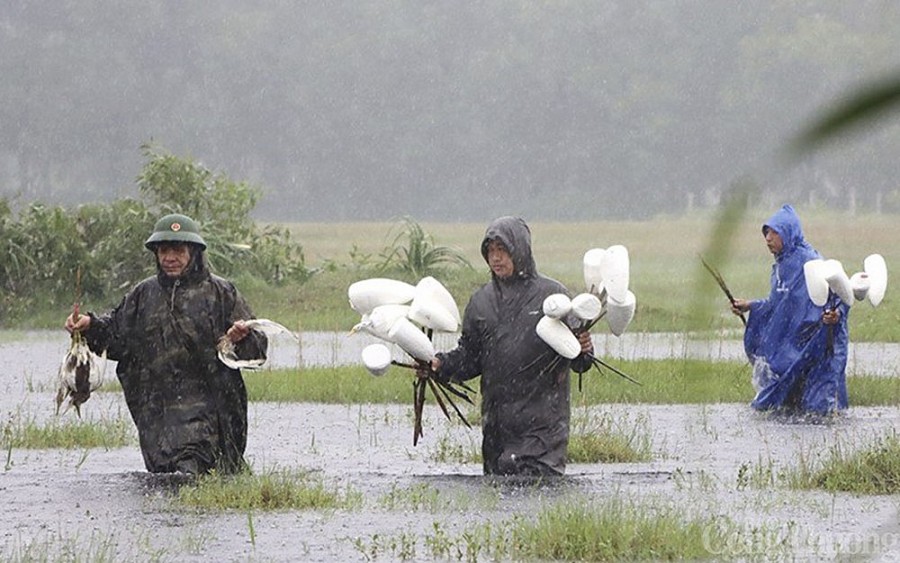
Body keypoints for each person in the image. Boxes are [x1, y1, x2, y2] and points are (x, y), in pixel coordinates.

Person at [64, 213, 268, 474]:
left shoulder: (221, 293)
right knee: (166, 479)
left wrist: (243, 338)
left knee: (197, 469)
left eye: (177, 250)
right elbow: (117, 338)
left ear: (193, 252)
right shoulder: (143, 294)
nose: (170, 258)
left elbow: (257, 351)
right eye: (163, 251)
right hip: (156, 413)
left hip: (212, 408)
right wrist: (89, 326)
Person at [420, 216, 593, 476]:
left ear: (520, 251)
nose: (496, 258)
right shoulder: (481, 302)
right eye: (490, 251)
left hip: (543, 426)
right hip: (497, 426)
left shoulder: (553, 297)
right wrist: (439, 364)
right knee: (498, 499)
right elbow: (470, 358)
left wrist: (584, 348)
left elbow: (579, 360)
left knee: (538, 495)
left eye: (502, 250)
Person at [730, 204, 849, 414]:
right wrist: (751, 306)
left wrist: (836, 315)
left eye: (775, 232)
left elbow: (841, 293)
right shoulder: (781, 266)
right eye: (766, 232)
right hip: (791, 348)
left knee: (818, 407)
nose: (768, 238)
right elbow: (779, 306)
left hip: (816, 344)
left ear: (788, 233)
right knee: (784, 405)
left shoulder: (811, 261)